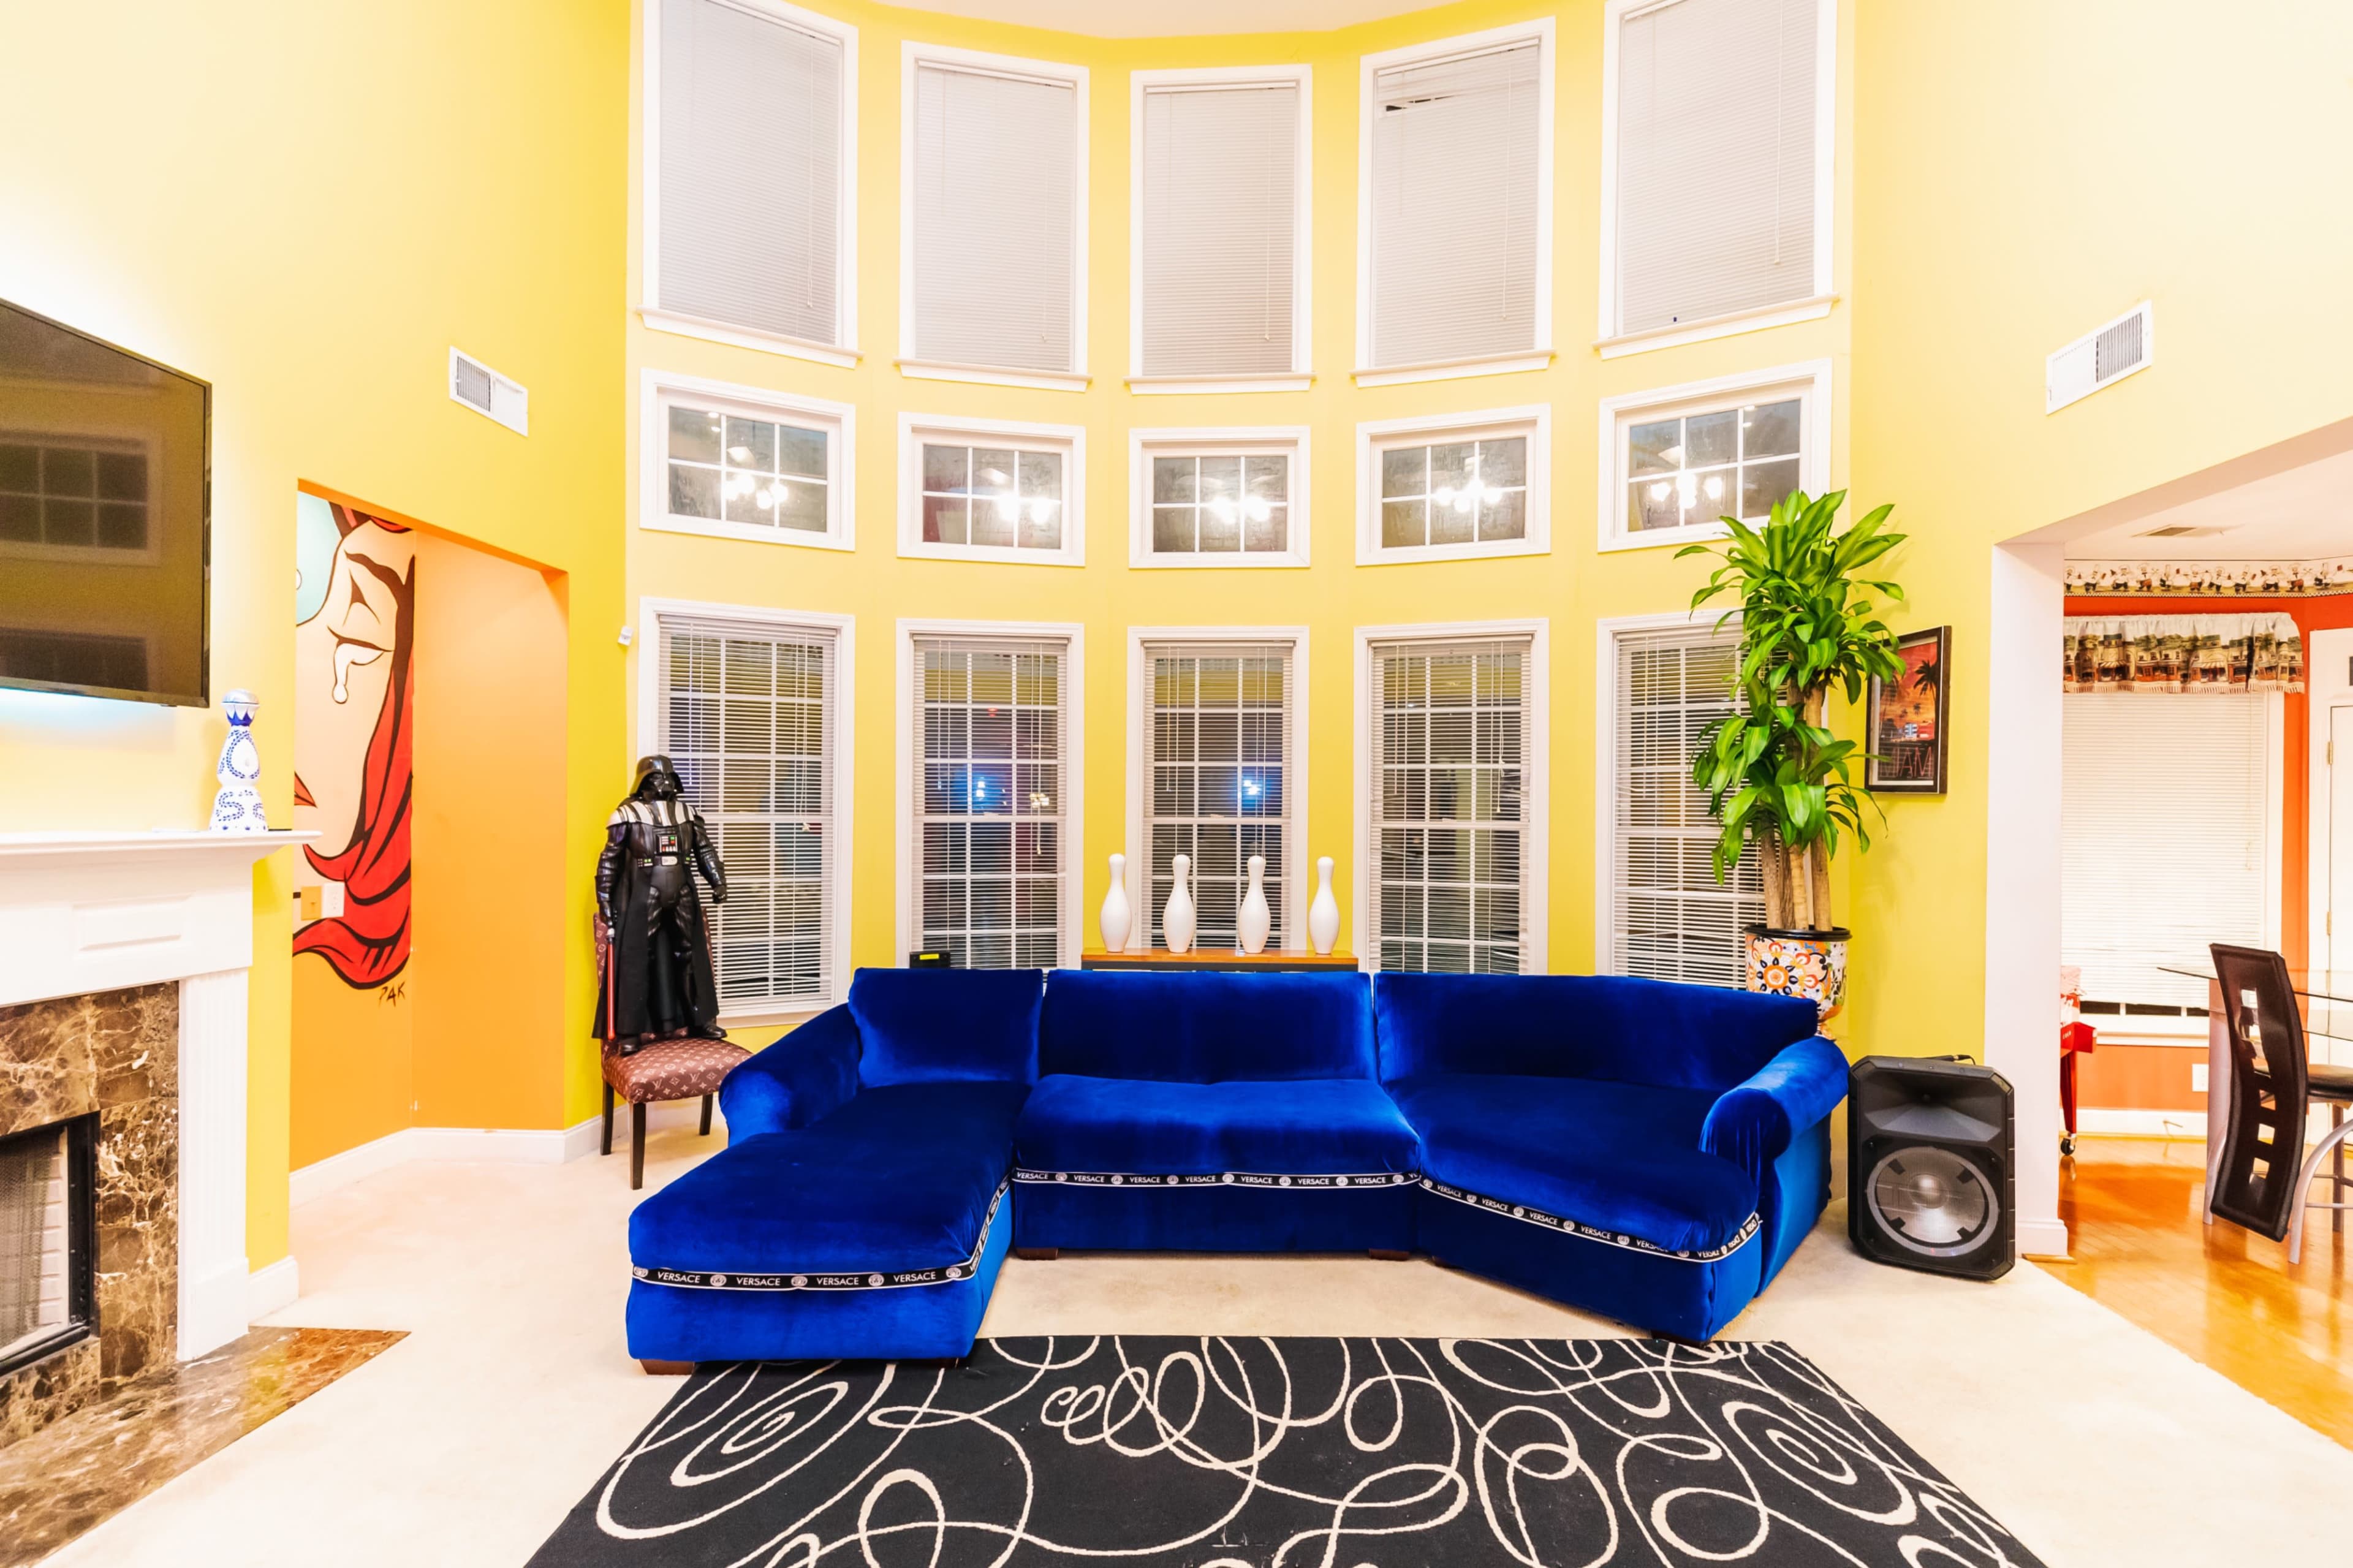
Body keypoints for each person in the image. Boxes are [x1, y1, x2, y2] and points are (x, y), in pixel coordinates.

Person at [594, 755, 727, 1048]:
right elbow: (610, 861)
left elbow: (704, 851)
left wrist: (717, 880)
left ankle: (700, 1018)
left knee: (689, 955)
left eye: (668, 776)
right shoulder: (627, 814)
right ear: (643, 781)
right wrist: (604, 898)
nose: (664, 782)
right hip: (645, 890)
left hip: (681, 887)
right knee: (638, 957)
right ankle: (629, 1031)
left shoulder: (687, 812)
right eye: (656, 777)